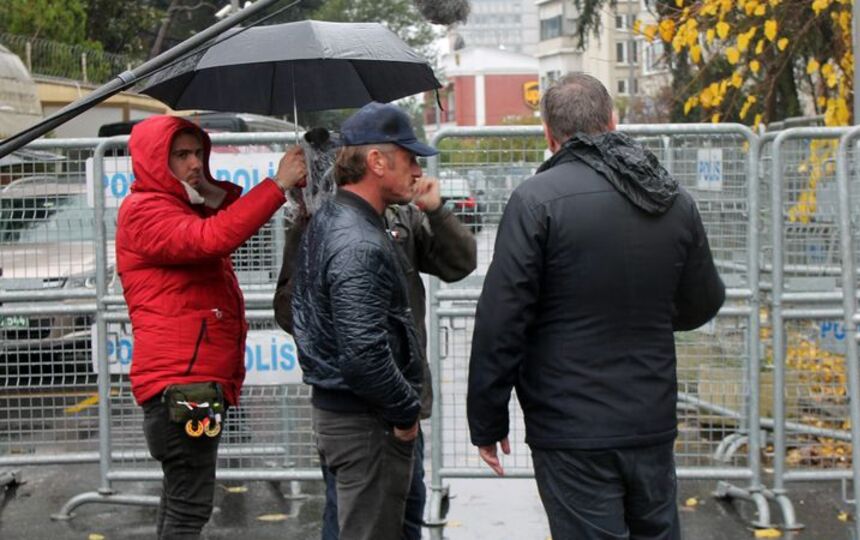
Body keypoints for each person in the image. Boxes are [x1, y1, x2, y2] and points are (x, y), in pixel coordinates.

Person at [466, 73, 726, 540]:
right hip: (649, 416)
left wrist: (487, 418)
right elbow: (703, 300)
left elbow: (501, 319)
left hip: (570, 426)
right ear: (613, 120)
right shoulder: (669, 196)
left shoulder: (535, 201)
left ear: (548, 134)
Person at [273, 127, 476, 540]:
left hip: (399, 408)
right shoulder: (330, 227)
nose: (419, 171)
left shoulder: (399, 217)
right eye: (410, 160)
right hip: (365, 412)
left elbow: (459, 264)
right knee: (354, 521)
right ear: (375, 163)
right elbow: (295, 313)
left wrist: (437, 210)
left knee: (402, 519)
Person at [115, 115, 306, 539]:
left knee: (182, 500)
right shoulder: (145, 211)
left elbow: (222, 210)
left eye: (198, 152)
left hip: (189, 383)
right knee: (189, 508)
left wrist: (205, 186)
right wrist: (276, 185)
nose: (195, 162)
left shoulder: (175, 203)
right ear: (153, 161)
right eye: (181, 155)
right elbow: (213, 238)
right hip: (183, 387)